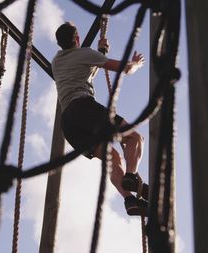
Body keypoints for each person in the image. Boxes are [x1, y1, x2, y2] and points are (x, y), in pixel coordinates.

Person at [51, 22, 148, 216]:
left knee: (112, 158)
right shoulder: (84, 53)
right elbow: (124, 69)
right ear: (77, 37)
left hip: (69, 124)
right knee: (134, 138)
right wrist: (135, 64)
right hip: (84, 108)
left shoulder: (57, 61)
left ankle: (129, 200)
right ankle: (131, 176)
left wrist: (100, 51)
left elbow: (83, 71)